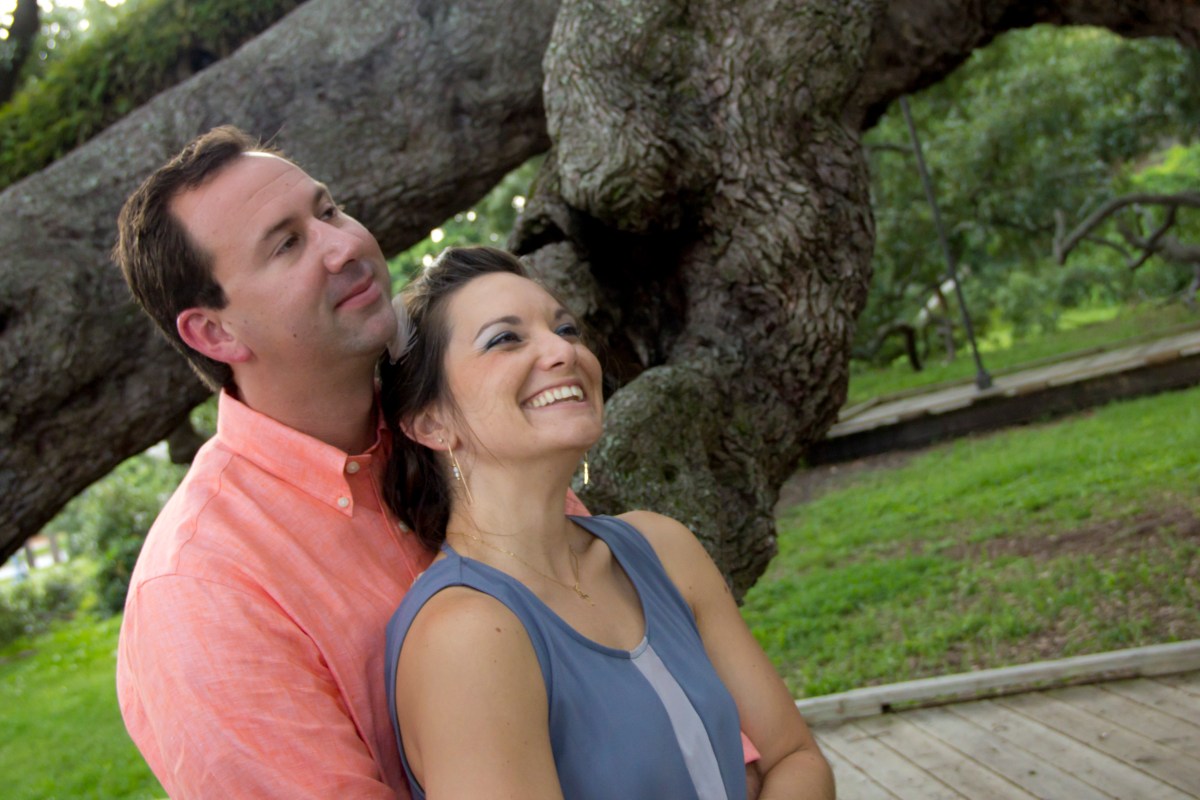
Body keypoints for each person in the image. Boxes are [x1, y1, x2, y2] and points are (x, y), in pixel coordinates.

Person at [112, 128, 755, 798]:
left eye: (327, 211)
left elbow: (691, 719)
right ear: (215, 331)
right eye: (287, 243)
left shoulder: (467, 428)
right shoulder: (203, 593)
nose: (345, 245)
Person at [381, 247, 835, 799]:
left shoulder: (662, 547)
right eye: (506, 338)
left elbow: (795, 757)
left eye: (566, 328)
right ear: (432, 423)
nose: (563, 351)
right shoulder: (466, 636)